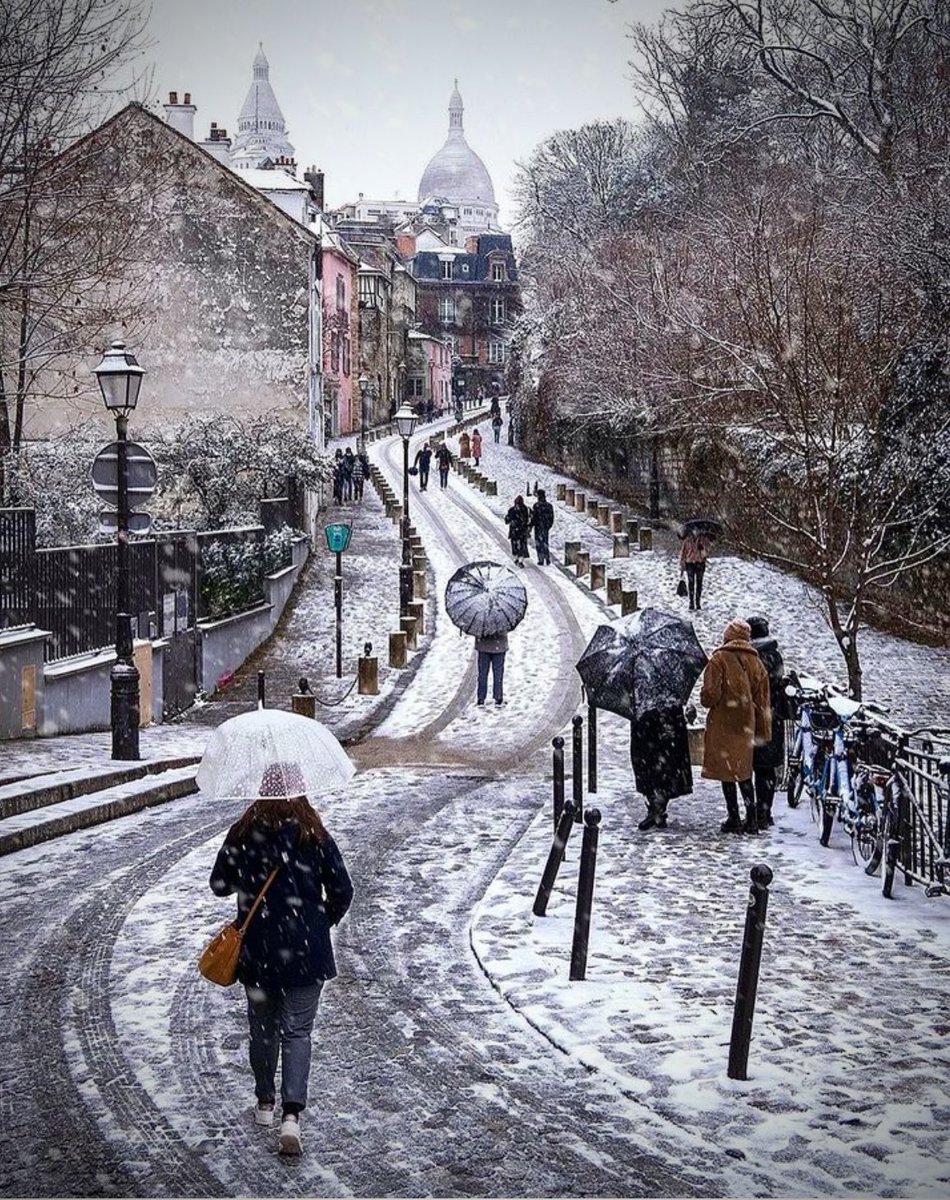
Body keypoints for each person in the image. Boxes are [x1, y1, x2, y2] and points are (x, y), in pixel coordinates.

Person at [209, 766, 353, 1156]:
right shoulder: (314, 833)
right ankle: (292, 1115)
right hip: (307, 950)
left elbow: (219, 885)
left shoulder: (243, 832)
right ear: (301, 790)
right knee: (298, 1031)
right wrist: (320, 920)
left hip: (258, 951)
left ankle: (265, 1103)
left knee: (263, 1030)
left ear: (262, 791)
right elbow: (343, 889)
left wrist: (246, 873)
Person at [700, 618, 772, 835]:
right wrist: (763, 729)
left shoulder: (718, 659)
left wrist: (706, 696)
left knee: (727, 772)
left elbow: (710, 696)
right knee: (743, 770)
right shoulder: (756, 663)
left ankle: (734, 817)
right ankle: (751, 818)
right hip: (746, 723)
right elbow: (763, 700)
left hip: (723, 721)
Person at [747, 614, 787, 829]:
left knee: (752, 767)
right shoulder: (775, 656)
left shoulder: (752, 658)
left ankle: (754, 812)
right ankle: (765, 812)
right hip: (773, 718)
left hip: (753, 718)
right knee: (767, 769)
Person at [629, 705, 694, 830]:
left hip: (657, 719)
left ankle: (657, 808)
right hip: (654, 719)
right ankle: (657, 807)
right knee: (653, 764)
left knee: (660, 764)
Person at [679, 529, 711, 611]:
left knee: (699, 583)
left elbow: (706, 554)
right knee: (691, 583)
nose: (695, 532)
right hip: (690, 563)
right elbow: (683, 553)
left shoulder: (704, 540)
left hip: (700, 563)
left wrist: (702, 549)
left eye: (697, 531)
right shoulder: (687, 541)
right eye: (693, 531)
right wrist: (682, 566)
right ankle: (691, 602)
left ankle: (698, 602)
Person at [475, 630, 508, 706]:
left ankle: (481, 697)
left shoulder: (481, 619)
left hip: (483, 645)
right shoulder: (501, 619)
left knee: (482, 673)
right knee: (498, 673)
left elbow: (475, 630)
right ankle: (498, 697)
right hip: (499, 645)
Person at [504, 495, 531, 567]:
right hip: (521, 531)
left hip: (515, 531)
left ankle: (517, 559)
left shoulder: (512, 510)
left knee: (515, 545)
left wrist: (510, 520)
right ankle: (520, 560)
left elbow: (507, 520)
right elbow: (528, 520)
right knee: (521, 546)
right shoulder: (525, 509)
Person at [530, 489, 554, 565]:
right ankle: (547, 558)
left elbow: (534, 517)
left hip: (538, 527)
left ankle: (541, 559)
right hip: (545, 527)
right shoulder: (549, 506)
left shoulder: (536, 506)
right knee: (545, 542)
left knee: (539, 543)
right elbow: (551, 518)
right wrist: (548, 526)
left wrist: (531, 525)